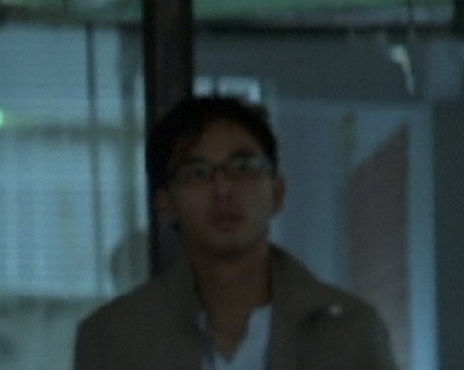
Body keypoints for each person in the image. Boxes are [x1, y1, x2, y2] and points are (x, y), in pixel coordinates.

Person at [74, 95, 397, 370]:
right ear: (166, 203)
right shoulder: (114, 338)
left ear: (278, 192)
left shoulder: (350, 332)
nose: (223, 189)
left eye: (243, 167)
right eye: (197, 172)